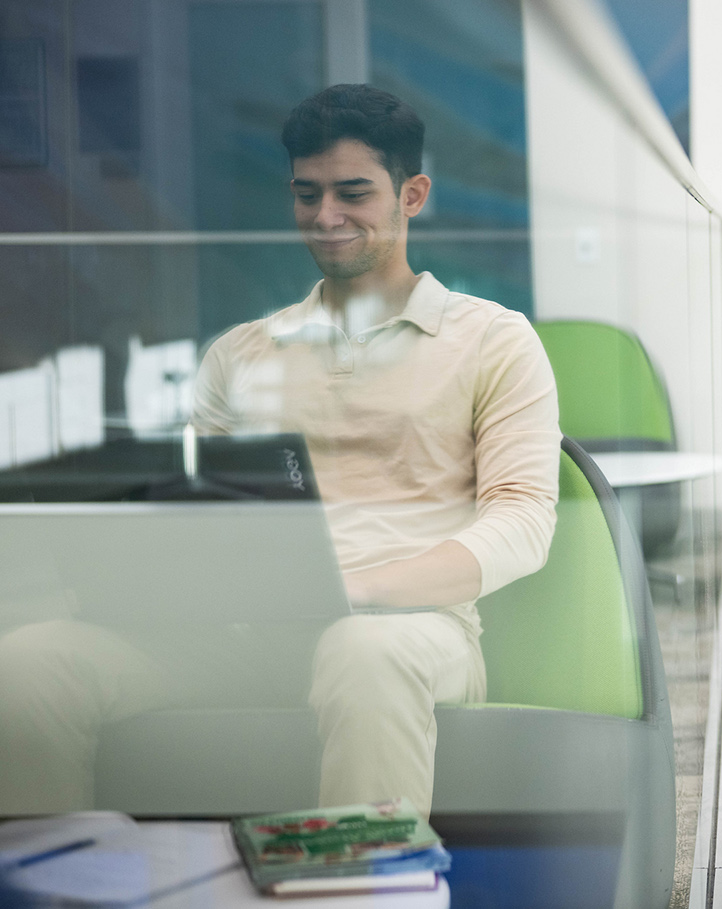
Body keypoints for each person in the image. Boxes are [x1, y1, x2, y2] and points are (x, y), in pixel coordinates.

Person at [0, 84, 560, 816]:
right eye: (307, 194)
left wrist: (359, 590)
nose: (325, 217)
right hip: (237, 636)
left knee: (363, 651)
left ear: (412, 194)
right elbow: (189, 519)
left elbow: (523, 522)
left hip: (405, 632)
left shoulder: (493, 338)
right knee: (27, 663)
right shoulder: (241, 353)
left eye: (353, 193)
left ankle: (363, 894)